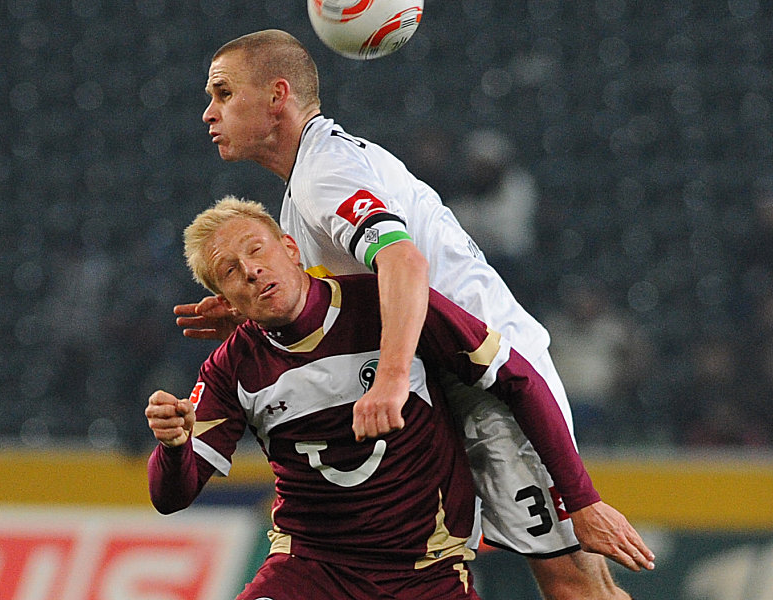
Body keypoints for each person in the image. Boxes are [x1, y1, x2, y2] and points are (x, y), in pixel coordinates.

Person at [175, 30, 655, 598]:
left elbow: (403, 262)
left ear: (278, 94)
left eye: (223, 93)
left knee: (573, 584)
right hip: (446, 389)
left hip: (490, 383)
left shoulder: (327, 174)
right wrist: (252, 307)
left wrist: (393, 382)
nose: (209, 112)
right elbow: (342, 299)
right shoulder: (308, 179)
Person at [147, 197, 647, 600]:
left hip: (424, 573)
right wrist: (172, 447)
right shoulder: (232, 367)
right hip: (311, 571)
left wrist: (583, 501)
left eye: (256, 250)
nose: (251, 270)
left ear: (290, 248)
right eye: (230, 271)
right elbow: (171, 497)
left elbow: (519, 379)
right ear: (224, 299)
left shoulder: (388, 304)